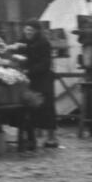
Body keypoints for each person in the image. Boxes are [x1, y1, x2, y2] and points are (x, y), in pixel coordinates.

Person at [20, 21, 58, 149]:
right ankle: (31, 137)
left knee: (47, 107)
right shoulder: (23, 42)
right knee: (30, 108)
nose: (27, 32)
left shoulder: (43, 43)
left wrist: (30, 70)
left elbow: (45, 63)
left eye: (30, 30)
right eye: (26, 29)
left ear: (36, 31)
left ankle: (51, 137)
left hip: (43, 79)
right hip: (30, 80)